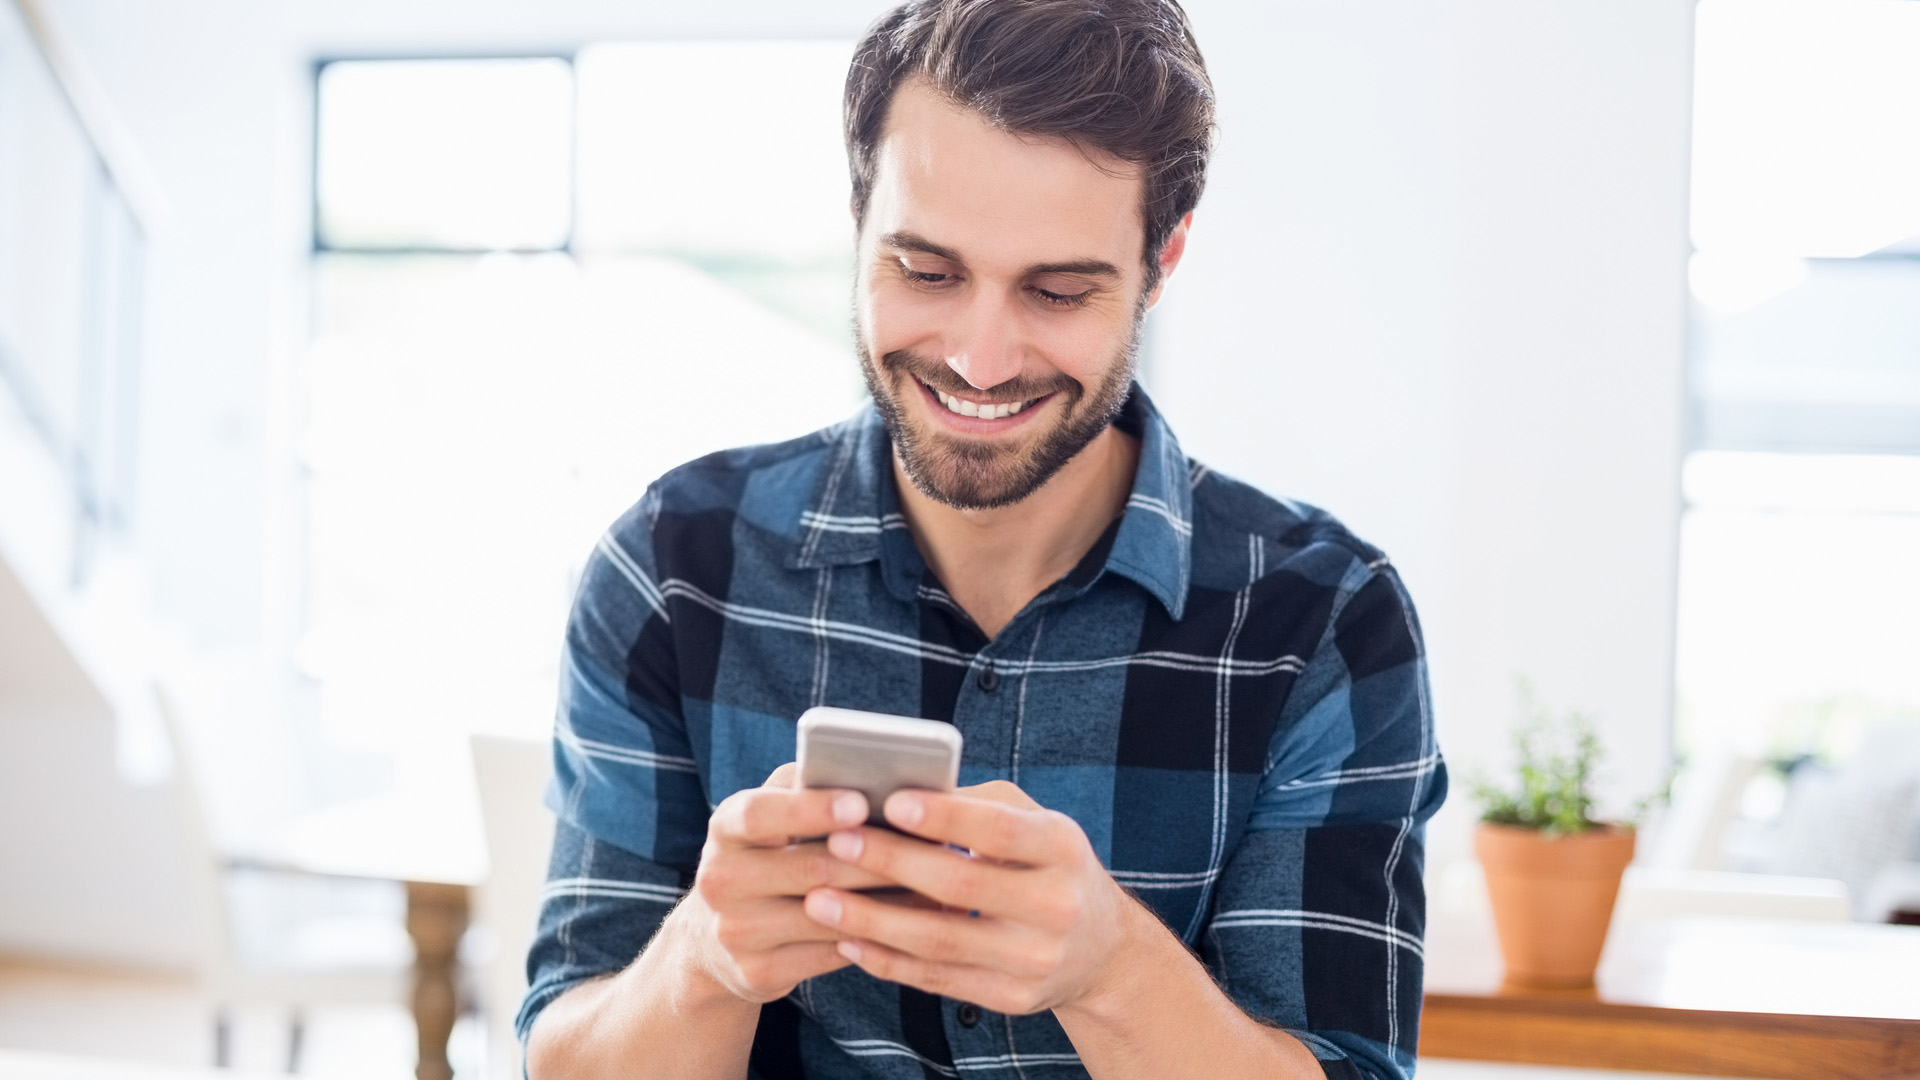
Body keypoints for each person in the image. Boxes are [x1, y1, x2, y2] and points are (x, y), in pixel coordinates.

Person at [518, 1, 1446, 1077]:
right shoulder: (677, 571)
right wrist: (702, 963)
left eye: (1056, 292)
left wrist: (1111, 972)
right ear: (858, 218)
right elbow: (570, 1055)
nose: (982, 358)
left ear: (1162, 259)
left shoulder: (1324, 621)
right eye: (927, 272)